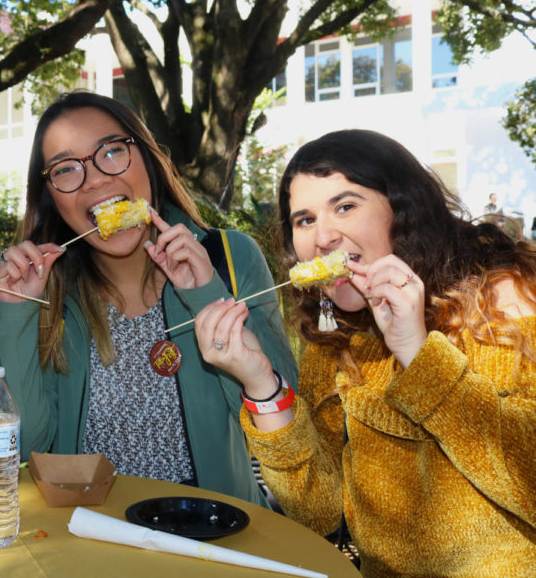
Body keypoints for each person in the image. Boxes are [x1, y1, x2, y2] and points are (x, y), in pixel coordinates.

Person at [195, 129, 536, 577]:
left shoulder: (504, 301)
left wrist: (418, 353)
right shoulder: (334, 335)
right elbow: (318, 513)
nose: (323, 238)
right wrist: (261, 385)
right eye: (304, 220)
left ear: (402, 209)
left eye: (345, 206)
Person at [0, 91, 297, 505]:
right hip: (86, 535)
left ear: (148, 158)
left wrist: (206, 294)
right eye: (66, 169)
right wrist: (16, 315)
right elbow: (27, 445)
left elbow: (284, 424)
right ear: (52, 197)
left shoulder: (230, 258)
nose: (96, 178)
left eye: (112, 152)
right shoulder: (45, 289)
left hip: (213, 536)